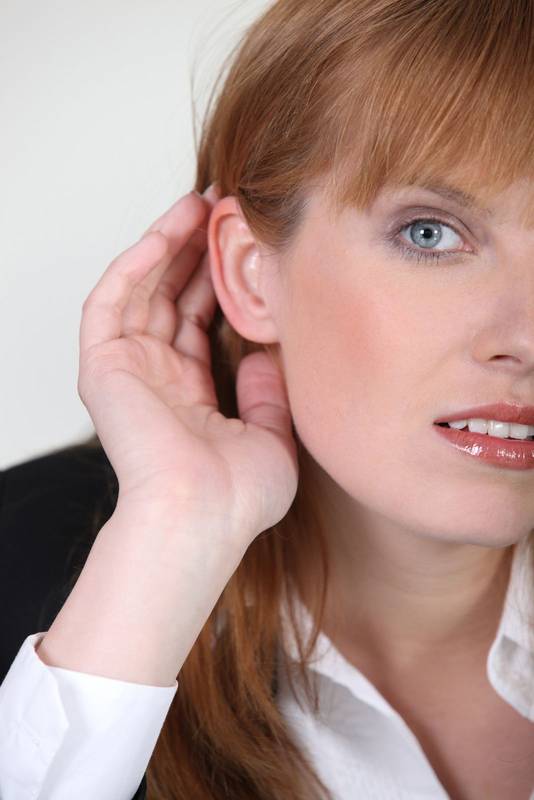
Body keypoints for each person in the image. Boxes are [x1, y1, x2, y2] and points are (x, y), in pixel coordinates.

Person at [1, 0, 534, 797]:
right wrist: (175, 532)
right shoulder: (20, 560)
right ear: (252, 274)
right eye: (430, 233)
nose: (525, 338)